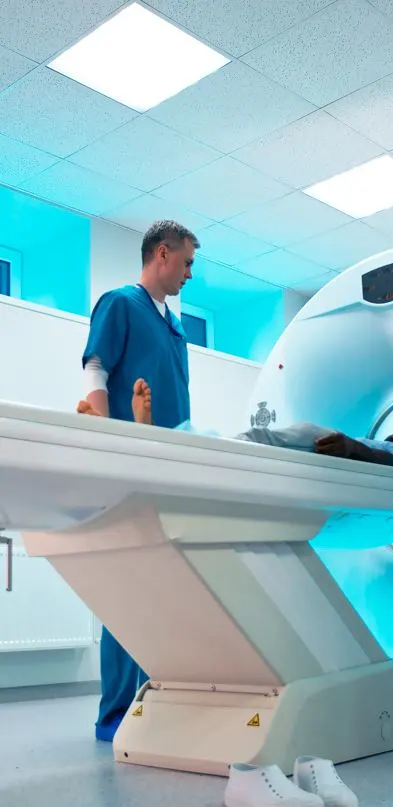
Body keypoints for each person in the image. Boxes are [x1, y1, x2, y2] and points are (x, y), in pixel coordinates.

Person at [81, 219, 199, 742]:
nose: (189, 274)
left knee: (164, 587)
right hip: (133, 461)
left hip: (171, 462)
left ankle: (158, 703)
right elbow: (96, 372)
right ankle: (114, 717)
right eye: (187, 262)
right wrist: (112, 444)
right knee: (128, 589)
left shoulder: (173, 324)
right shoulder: (120, 303)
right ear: (161, 254)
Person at [77, 379, 393, 474]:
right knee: (248, 442)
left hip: (332, 445)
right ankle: (152, 438)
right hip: (335, 443)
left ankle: (151, 438)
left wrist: (353, 447)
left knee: (254, 440)